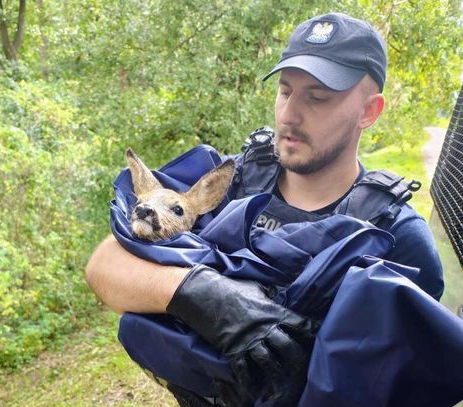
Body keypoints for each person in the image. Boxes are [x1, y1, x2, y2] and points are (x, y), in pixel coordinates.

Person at [85, 12, 444, 406]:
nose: (289, 114)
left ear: (369, 112)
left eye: (318, 97)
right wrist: (202, 296)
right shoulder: (228, 180)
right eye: (286, 91)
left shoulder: (396, 237)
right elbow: (103, 267)